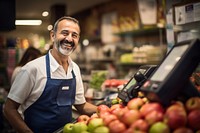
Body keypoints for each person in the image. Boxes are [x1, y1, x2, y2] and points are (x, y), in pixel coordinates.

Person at [3, 16, 97, 133]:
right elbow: (9, 108)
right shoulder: (32, 69)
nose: (69, 39)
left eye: (74, 35)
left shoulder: (75, 69)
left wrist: (107, 110)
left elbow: (81, 105)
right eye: (65, 33)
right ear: (52, 35)